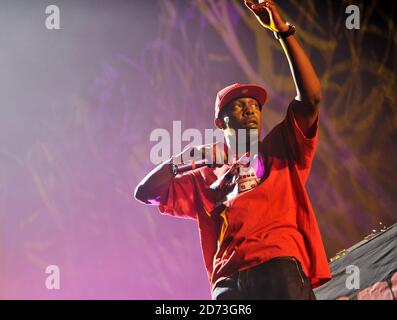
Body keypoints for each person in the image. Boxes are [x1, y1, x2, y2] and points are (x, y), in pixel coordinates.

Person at [134, 0, 331, 300]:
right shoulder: (205, 175)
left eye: (255, 106)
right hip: (227, 283)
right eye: (239, 106)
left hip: (276, 264)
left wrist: (283, 33)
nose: (250, 111)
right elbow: (145, 193)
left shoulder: (281, 148)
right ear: (220, 121)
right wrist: (188, 157)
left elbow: (312, 98)